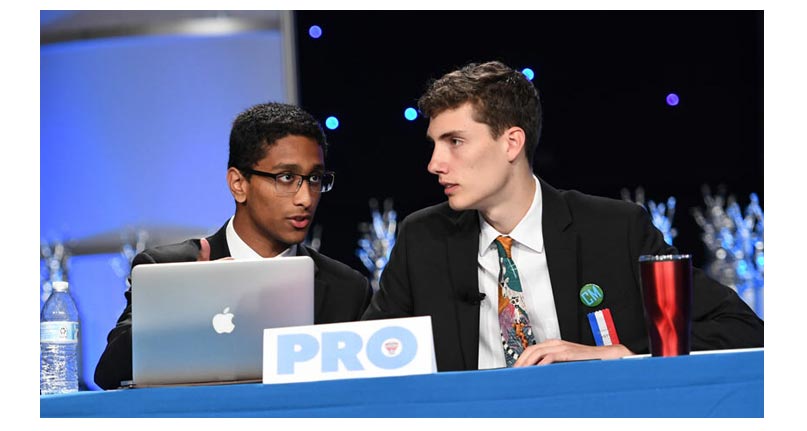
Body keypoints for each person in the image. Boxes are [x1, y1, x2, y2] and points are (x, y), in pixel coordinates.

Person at [362, 61, 763, 371]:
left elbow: (741, 328)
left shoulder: (613, 229)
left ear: (511, 142)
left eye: (455, 142)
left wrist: (620, 356)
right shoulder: (423, 238)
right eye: (434, 145)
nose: (435, 163)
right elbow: (371, 354)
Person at [94, 102, 373, 389]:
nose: (305, 198)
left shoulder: (347, 289)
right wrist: (184, 304)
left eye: (314, 179)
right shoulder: (167, 269)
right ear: (238, 184)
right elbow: (108, 374)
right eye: (287, 178)